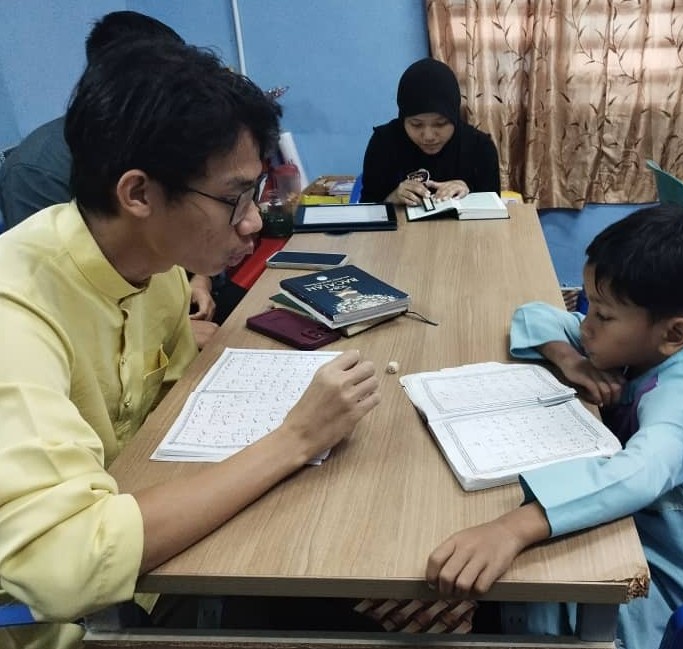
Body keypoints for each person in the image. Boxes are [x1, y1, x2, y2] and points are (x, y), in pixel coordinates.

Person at [0, 38, 380, 649]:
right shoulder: (15, 312)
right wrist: (296, 438)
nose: (253, 222)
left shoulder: (158, 269)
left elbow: (178, 413)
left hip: (165, 561)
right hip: (72, 622)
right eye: (234, 199)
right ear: (139, 195)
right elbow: (68, 565)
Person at [425, 205, 683, 649]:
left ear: (673, 334)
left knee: (534, 581)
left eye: (603, 316)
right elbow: (533, 314)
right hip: (627, 528)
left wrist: (513, 528)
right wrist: (570, 359)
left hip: (660, 582)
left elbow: (640, 474)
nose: (586, 326)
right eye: (588, 305)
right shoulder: (638, 345)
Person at [0, 11, 218, 348]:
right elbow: (57, 292)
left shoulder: (164, 143)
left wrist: (200, 278)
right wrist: (174, 334)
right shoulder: (37, 169)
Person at [360, 57, 500, 205]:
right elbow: (367, 206)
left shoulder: (480, 147)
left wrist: (471, 195)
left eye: (440, 124)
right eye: (416, 124)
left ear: (454, 117)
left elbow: (494, 210)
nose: (428, 136)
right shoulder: (383, 143)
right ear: (403, 119)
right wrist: (391, 199)